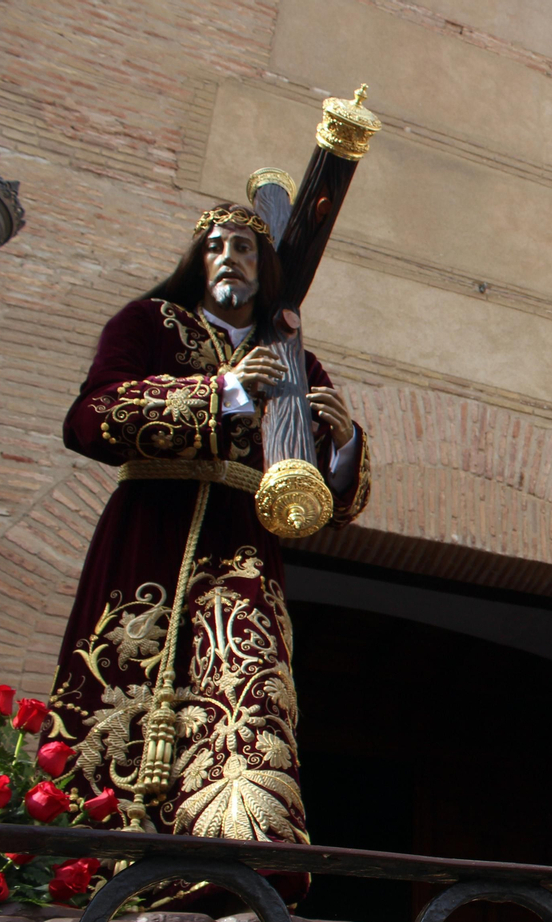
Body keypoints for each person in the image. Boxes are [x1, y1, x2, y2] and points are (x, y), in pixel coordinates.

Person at [45, 203, 369, 878]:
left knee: (247, 686)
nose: (231, 258)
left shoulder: (294, 359)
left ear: (265, 267)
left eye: (247, 248)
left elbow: (321, 506)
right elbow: (89, 417)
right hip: (148, 536)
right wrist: (218, 392)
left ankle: (237, 861)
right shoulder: (147, 323)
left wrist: (344, 446)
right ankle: (87, 865)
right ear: (197, 261)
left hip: (244, 544)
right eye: (217, 246)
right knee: (119, 692)